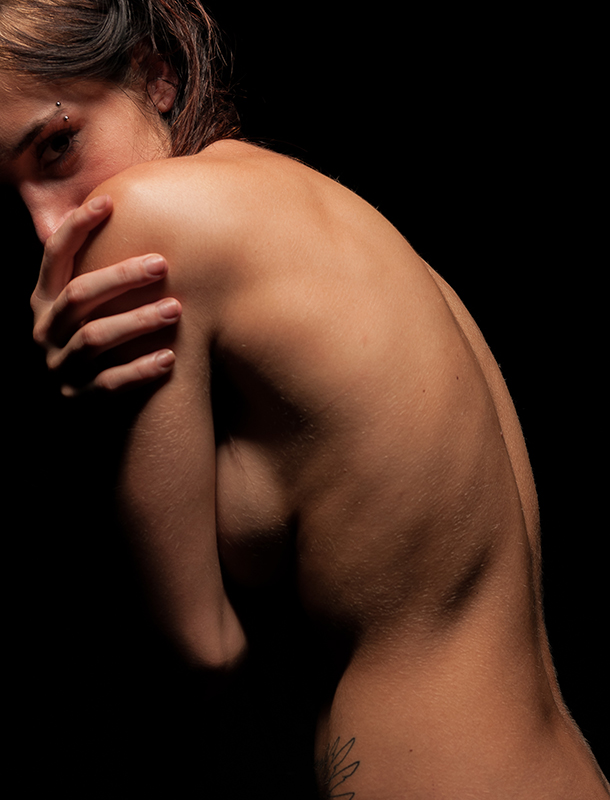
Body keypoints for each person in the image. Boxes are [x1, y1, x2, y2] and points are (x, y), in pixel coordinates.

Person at [1, 1, 607, 797]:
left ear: (155, 75)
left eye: (57, 145)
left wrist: (79, 419)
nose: (49, 228)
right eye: (9, 192)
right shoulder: (325, 215)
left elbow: (198, 652)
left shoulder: (142, 222)